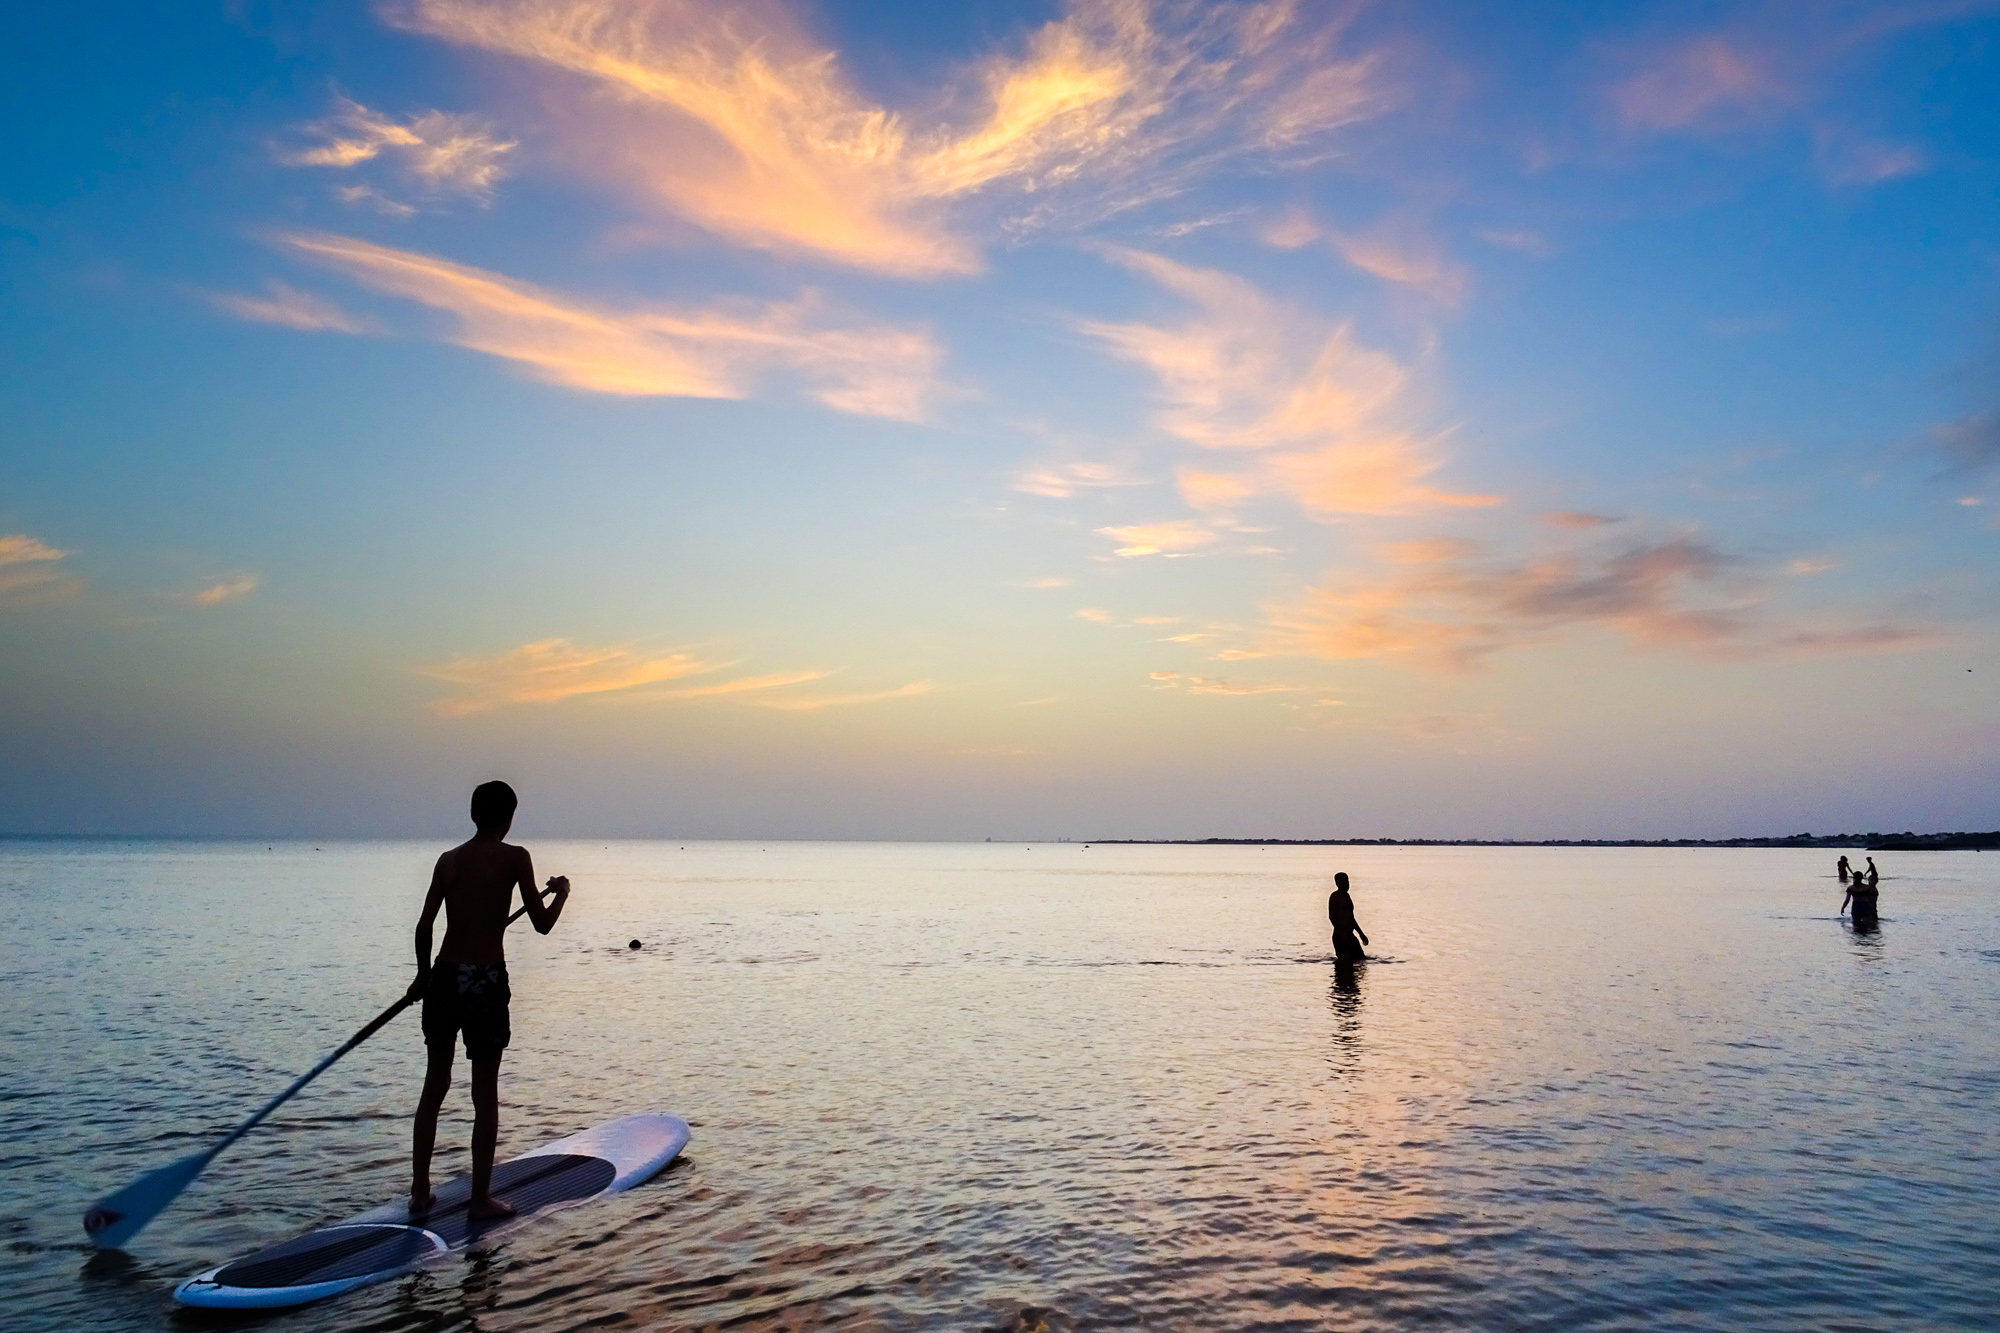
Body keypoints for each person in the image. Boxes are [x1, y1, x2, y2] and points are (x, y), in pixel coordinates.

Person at [407, 780, 569, 1220]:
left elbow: (425, 926)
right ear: (508, 817)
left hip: (443, 978)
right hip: (484, 980)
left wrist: (422, 975)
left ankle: (420, 1193)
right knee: (484, 1094)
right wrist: (562, 895)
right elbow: (541, 924)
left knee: (433, 1088)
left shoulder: (448, 861)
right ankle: (480, 1200)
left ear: (474, 815)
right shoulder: (516, 858)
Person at [1328, 872, 1369, 962]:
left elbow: (1351, 918)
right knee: (1344, 964)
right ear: (1337, 884)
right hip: (1340, 936)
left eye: (1347, 882)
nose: (1346, 884)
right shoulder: (1335, 896)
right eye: (1342, 882)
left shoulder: (1347, 896)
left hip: (1350, 935)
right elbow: (1332, 917)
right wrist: (1342, 933)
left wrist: (1361, 934)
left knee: (1361, 960)